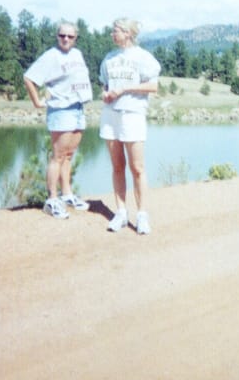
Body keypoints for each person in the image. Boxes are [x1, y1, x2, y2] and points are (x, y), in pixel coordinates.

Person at [23, 21, 94, 219]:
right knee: (58, 156)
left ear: (76, 38)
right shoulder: (50, 56)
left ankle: (67, 194)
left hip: (78, 108)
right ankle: (52, 200)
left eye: (70, 36)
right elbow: (29, 78)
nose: (66, 39)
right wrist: (37, 101)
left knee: (69, 155)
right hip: (61, 110)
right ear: (57, 36)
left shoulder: (77, 54)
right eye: (62, 35)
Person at [99, 18, 162, 235]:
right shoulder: (109, 58)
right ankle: (121, 213)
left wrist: (125, 89)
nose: (112, 34)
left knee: (137, 167)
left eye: (115, 31)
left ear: (127, 33)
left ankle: (142, 215)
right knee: (117, 165)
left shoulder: (143, 57)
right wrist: (106, 93)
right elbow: (105, 83)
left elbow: (153, 86)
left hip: (133, 114)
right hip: (111, 115)